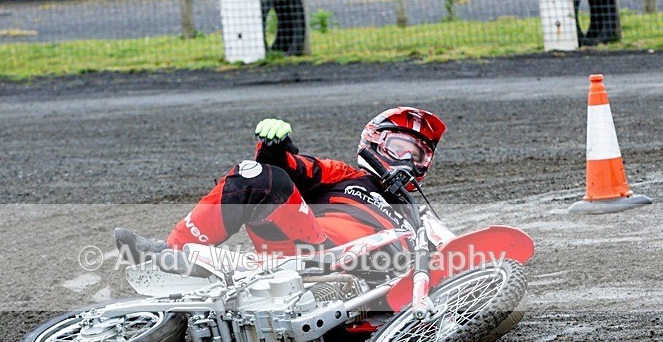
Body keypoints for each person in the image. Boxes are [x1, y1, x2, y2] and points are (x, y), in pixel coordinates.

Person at [115, 107, 446, 263]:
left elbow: (452, 257)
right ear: (375, 143)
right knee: (256, 175)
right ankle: (170, 256)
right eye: (399, 148)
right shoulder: (345, 175)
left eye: (416, 154)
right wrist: (274, 146)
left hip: (378, 274)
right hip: (314, 248)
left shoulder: (423, 218)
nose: (406, 160)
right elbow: (290, 169)